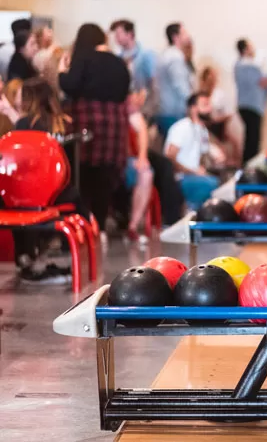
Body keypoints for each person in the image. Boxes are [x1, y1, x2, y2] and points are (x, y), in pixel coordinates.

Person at [6, 77, 90, 283]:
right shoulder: (62, 123)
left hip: (29, 196)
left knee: (17, 197)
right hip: (58, 192)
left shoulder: (24, 125)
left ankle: (25, 256)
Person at [59, 23, 130, 237]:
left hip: (86, 120)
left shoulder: (83, 59)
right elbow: (125, 90)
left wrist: (62, 72)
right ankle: (100, 226)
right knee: (105, 175)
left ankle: (84, 227)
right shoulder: (118, 62)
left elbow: (70, 86)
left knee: (83, 175)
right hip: (114, 124)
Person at [164, 93, 218, 211]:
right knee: (212, 184)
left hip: (194, 175)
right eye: (205, 105)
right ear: (193, 108)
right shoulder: (182, 127)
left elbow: (203, 156)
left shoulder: (203, 130)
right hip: (180, 178)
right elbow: (170, 157)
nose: (209, 109)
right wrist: (192, 171)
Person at [110, 19, 158, 118]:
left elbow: (154, 81)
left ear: (130, 34)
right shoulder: (118, 58)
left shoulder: (146, 55)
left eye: (119, 34)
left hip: (147, 108)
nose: (116, 38)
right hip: (128, 109)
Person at [124, 92, 154, 244]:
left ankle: (133, 226)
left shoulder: (132, 113)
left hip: (129, 161)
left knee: (146, 174)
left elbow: (142, 131)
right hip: (111, 160)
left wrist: (142, 157)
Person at [234, 39, 267, 163]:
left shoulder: (240, 65)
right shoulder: (247, 65)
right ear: (244, 49)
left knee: (251, 137)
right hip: (251, 105)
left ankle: (248, 163)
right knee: (253, 139)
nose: (253, 49)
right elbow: (262, 82)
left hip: (248, 105)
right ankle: (249, 165)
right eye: (250, 47)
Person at [200, 66, 243, 165]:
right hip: (204, 127)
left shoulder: (219, 95)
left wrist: (216, 120)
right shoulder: (199, 95)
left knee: (235, 145)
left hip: (219, 126)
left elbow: (228, 113)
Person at [155, 22, 193, 136]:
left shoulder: (166, 54)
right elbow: (181, 87)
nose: (188, 35)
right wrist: (194, 104)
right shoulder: (176, 57)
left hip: (164, 111)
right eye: (184, 33)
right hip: (174, 114)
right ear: (175, 37)